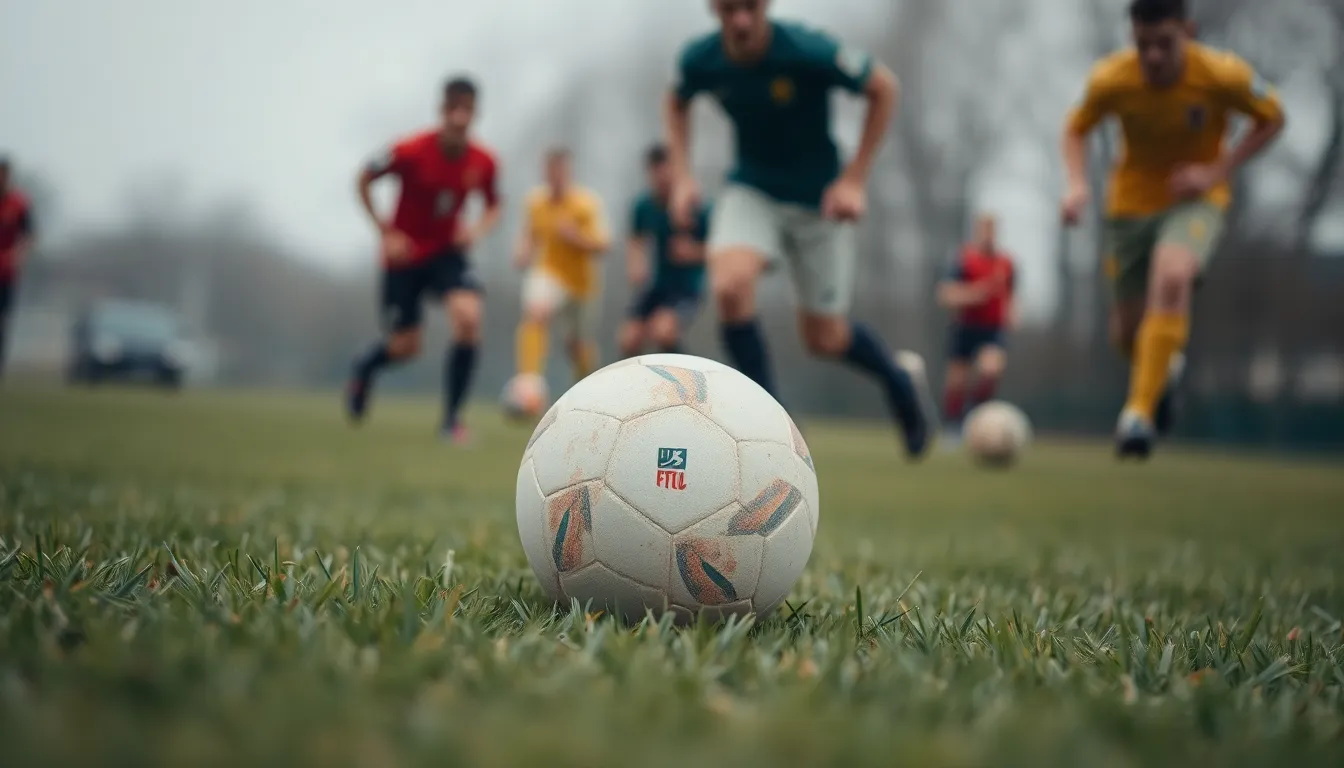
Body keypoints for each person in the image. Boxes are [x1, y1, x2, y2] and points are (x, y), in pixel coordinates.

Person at [665, 0, 936, 459]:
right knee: (730, 286)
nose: (742, 20)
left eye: (750, 8)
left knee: (824, 338)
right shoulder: (701, 58)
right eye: (730, 10)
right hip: (752, 189)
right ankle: (774, 418)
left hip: (819, 200)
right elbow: (677, 99)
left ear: (766, 7)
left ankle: (898, 379)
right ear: (715, 10)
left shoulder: (807, 50)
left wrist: (854, 179)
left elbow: (883, 87)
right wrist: (682, 176)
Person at [1061, 0, 1285, 459]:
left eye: (1165, 44)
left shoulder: (1222, 75)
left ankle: (1137, 418)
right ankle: (1167, 368)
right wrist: (1077, 184)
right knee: (1126, 333)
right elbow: (1074, 127)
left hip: (1195, 201)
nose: (1154, 57)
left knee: (1173, 277)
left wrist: (1218, 170)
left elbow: (1273, 117)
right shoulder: (1111, 79)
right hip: (1128, 208)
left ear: (1188, 31)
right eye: (1144, 46)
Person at [345, 76, 502, 443]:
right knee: (406, 347)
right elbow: (363, 179)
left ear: (475, 113)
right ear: (442, 111)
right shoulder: (410, 150)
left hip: (448, 252)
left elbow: (495, 205)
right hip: (405, 258)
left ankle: (451, 420)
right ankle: (364, 367)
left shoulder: (484, 161)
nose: (460, 118)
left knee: (468, 318)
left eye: (467, 110)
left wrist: (475, 230)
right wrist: (385, 231)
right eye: (453, 109)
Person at [512, 148, 611, 386]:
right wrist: (523, 252)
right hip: (549, 273)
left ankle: (589, 389)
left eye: (560, 169)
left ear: (568, 172)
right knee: (536, 312)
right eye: (550, 169)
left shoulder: (585, 204)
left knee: (577, 345)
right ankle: (529, 383)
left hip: (582, 284)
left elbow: (603, 246)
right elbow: (529, 235)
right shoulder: (536, 203)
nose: (554, 175)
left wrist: (575, 237)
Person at [618, 144, 711, 357]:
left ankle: (685, 381)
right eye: (655, 174)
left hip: (688, 289)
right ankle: (636, 387)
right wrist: (636, 263)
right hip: (658, 286)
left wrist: (693, 251)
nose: (661, 180)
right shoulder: (644, 205)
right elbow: (636, 239)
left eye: (665, 172)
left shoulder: (696, 206)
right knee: (629, 337)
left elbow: (720, 252)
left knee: (662, 331)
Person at [938, 213, 1015, 435]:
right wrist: (975, 294)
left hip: (992, 329)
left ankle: (975, 420)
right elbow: (945, 294)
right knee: (956, 382)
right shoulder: (964, 260)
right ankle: (952, 427)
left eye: (992, 230)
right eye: (984, 230)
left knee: (991, 369)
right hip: (965, 327)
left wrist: (1011, 313)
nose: (989, 235)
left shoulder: (1006, 263)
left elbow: (1011, 294)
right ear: (976, 232)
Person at [0, 157, 34, 380]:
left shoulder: (18, 204)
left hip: (6, 274)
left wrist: (18, 255)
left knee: (3, 321)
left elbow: (29, 235)